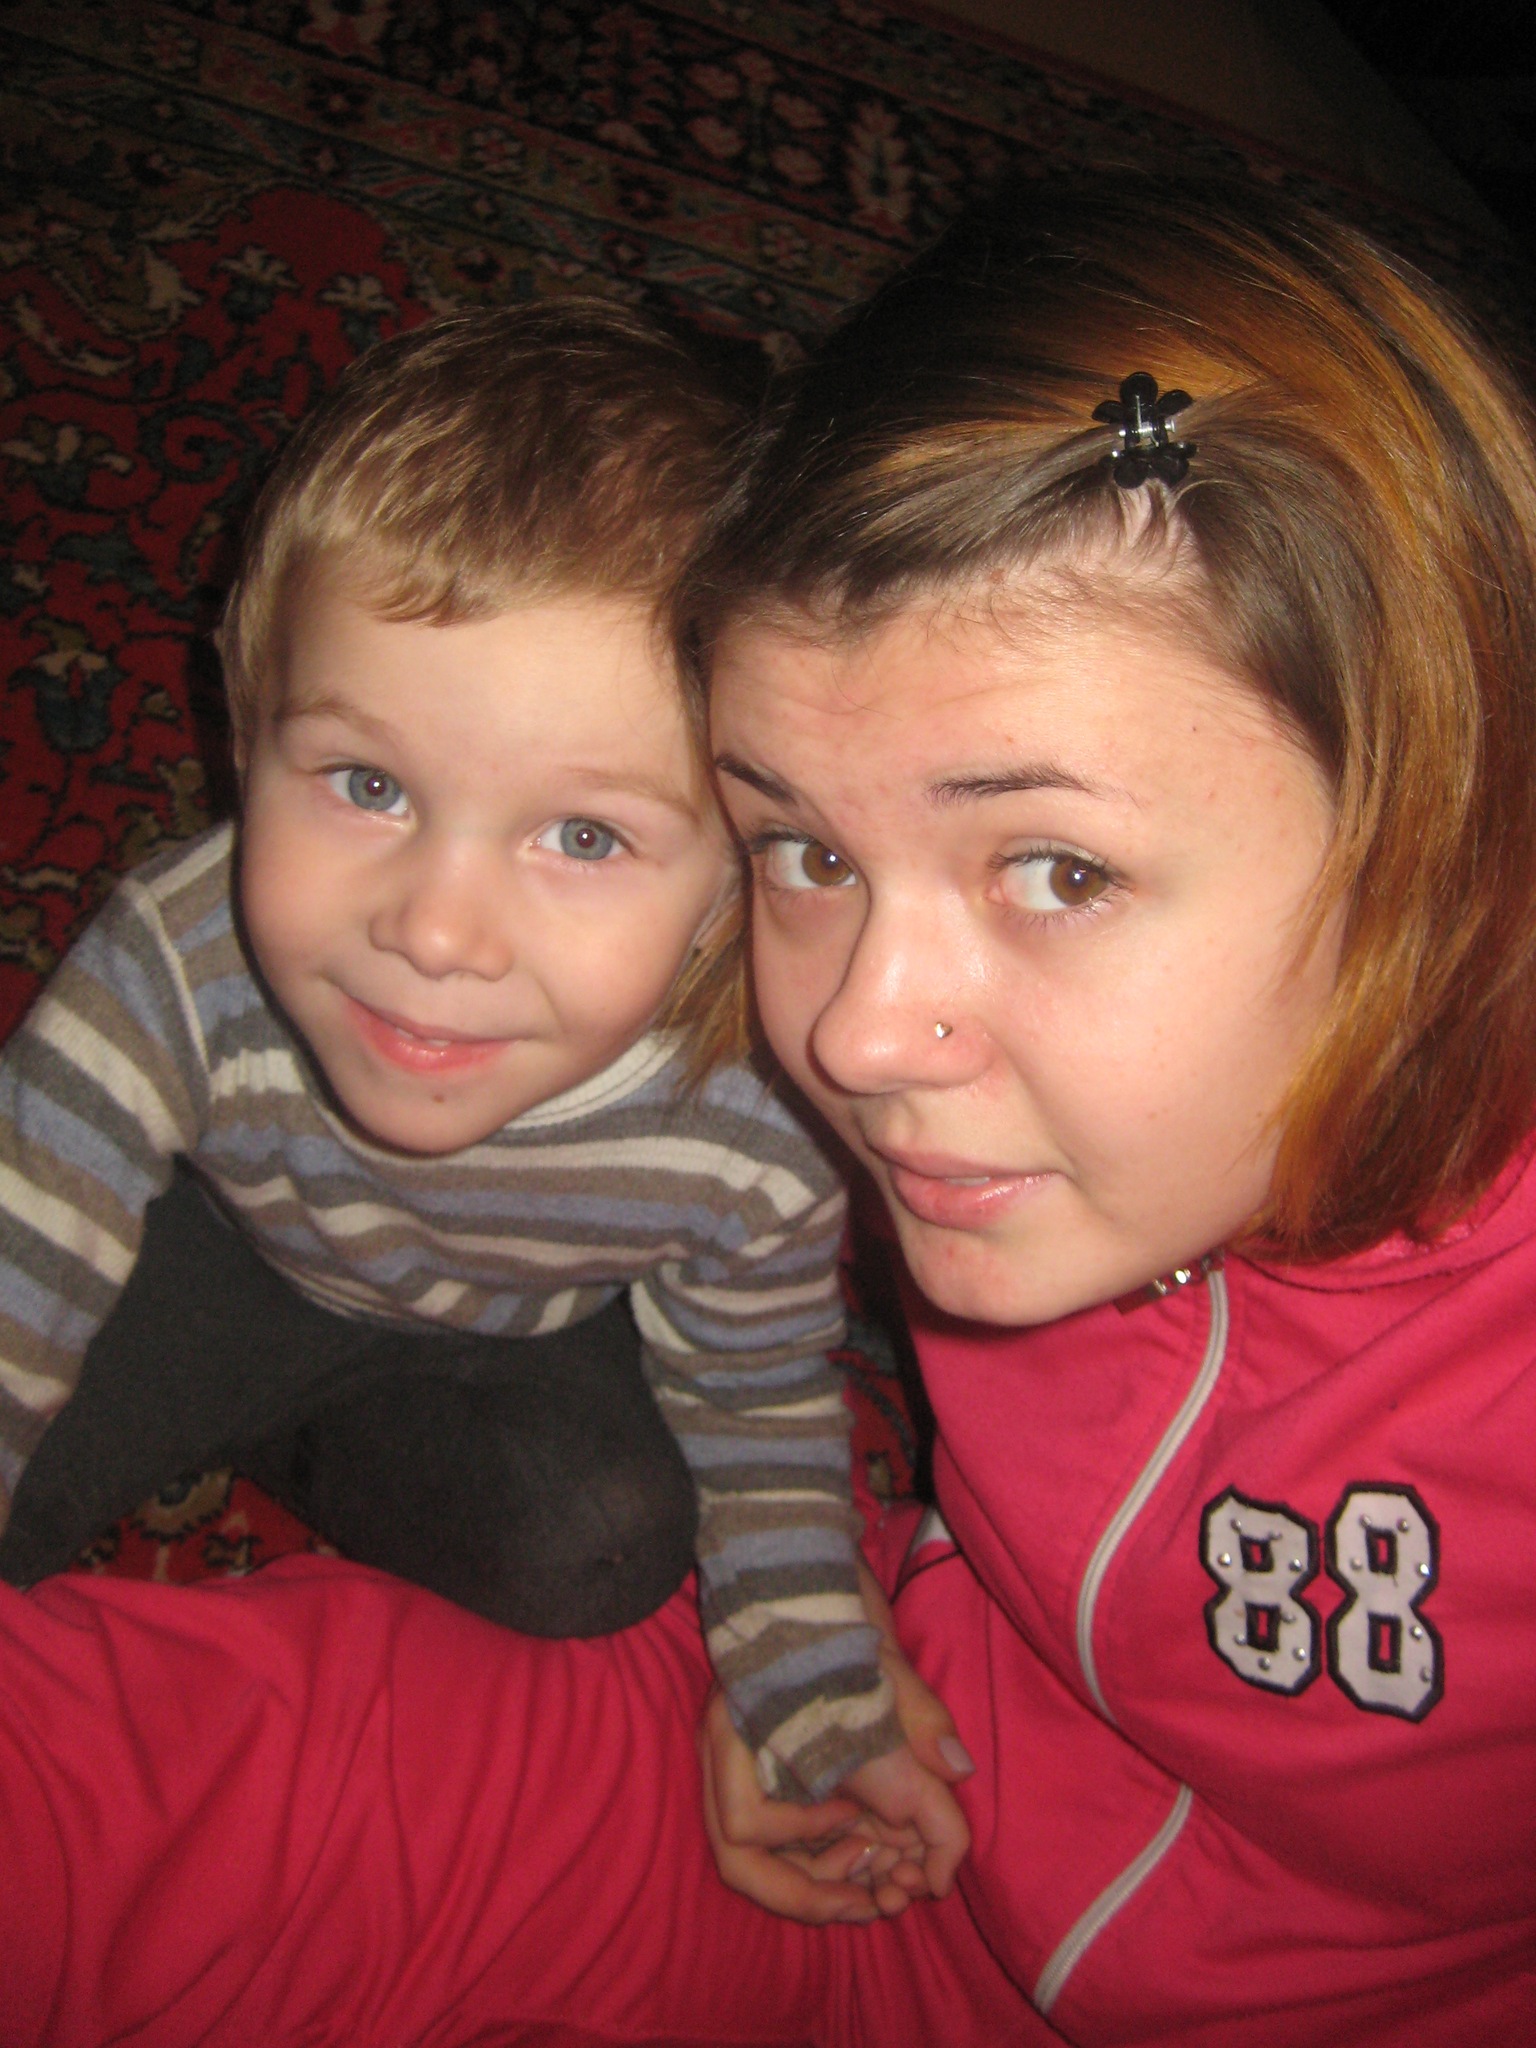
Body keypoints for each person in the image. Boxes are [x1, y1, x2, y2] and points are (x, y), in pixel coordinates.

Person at [3, 174, 1535, 2046]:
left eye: (1056, 870)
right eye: (804, 848)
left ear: (1456, 852)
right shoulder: (1019, 1142)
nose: (851, 1039)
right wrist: (821, 1670)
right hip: (883, 1803)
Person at [0, 300, 964, 1840]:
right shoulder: (178, 962)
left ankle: (300, 1433)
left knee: (609, 1544)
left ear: (739, 873)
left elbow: (755, 1387)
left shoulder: (752, 1116)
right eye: (366, 784)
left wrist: (810, 1679)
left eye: (583, 836)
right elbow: (23, 1236)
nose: (436, 931)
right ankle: (248, 1407)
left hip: (513, 1336)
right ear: (245, 734)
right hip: (211, 1259)